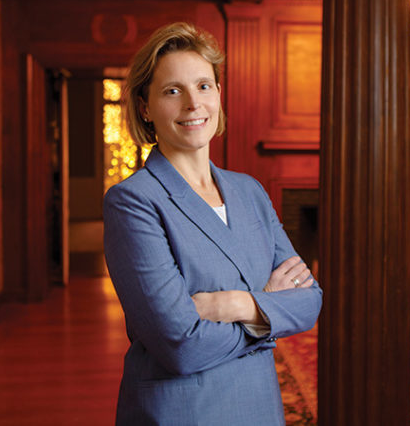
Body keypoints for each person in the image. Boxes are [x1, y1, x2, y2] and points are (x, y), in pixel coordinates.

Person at [103, 22, 323, 425]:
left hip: (259, 406)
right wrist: (268, 309)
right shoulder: (132, 202)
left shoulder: (250, 191)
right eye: (173, 90)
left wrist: (234, 304)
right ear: (145, 107)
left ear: (219, 94)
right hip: (184, 413)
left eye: (204, 86)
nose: (193, 103)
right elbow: (181, 346)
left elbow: (310, 301)